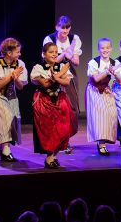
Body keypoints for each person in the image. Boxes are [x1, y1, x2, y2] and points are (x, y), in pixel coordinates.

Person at [30, 42, 74, 168]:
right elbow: (45, 84)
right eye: (51, 52)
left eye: (56, 52)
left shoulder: (60, 66)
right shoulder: (38, 67)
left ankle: (54, 155)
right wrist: (61, 74)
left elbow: (66, 83)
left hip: (59, 100)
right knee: (49, 129)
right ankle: (49, 158)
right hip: (44, 101)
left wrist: (59, 76)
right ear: (44, 54)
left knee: (62, 129)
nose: (54, 54)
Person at [42, 16, 81, 153]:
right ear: (57, 27)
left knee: (71, 106)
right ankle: (56, 139)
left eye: (67, 27)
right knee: (56, 107)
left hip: (69, 74)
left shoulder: (74, 38)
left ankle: (66, 139)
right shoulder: (49, 39)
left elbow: (76, 62)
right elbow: (50, 61)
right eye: (62, 27)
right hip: (53, 74)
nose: (65, 30)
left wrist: (69, 54)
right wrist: (65, 53)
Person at [0, 38, 27, 162]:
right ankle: (6, 152)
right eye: (17, 52)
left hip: (11, 96)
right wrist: (11, 75)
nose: (20, 54)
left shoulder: (20, 64)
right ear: (9, 53)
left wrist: (16, 78)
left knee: (11, 120)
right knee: (6, 119)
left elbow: (21, 87)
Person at [85, 38, 118, 156]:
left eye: (107, 47)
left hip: (106, 89)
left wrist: (118, 74)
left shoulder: (115, 63)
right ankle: (101, 144)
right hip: (94, 90)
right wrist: (107, 71)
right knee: (100, 117)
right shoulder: (94, 62)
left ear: (111, 48)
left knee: (112, 113)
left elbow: (119, 80)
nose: (105, 50)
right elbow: (96, 79)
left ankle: (107, 139)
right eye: (102, 48)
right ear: (99, 49)